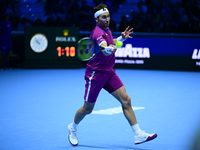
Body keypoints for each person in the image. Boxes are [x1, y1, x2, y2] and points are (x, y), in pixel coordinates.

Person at [68, 4, 157, 146]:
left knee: (126, 100)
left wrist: (121, 39)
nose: (107, 19)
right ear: (96, 19)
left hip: (109, 72)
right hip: (95, 75)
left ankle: (138, 134)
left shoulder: (107, 29)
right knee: (87, 109)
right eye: (104, 17)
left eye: (108, 16)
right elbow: (104, 48)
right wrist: (110, 49)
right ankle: (73, 127)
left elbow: (110, 42)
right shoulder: (97, 34)